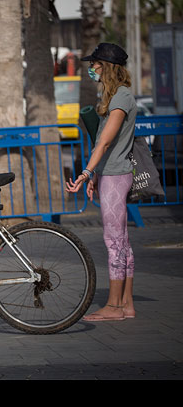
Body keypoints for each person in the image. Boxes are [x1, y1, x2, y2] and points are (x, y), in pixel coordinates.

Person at [65, 43, 138, 322]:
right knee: (123, 242)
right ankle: (126, 305)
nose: (91, 69)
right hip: (111, 174)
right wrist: (95, 174)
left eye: (94, 64)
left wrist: (85, 173)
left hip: (117, 175)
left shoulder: (121, 97)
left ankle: (114, 306)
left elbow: (106, 141)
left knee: (114, 240)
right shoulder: (117, 96)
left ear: (106, 67)